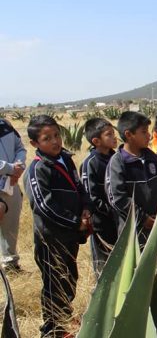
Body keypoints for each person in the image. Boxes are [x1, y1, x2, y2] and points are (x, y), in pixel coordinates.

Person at [23, 115, 91, 337]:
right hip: (51, 238)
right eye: (47, 138)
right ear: (35, 144)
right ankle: (52, 329)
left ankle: (64, 318)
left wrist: (85, 209)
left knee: (69, 278)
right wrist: (74, 222)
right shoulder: (38, 169)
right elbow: (44, 205)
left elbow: (79, 187)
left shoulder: (66, 160)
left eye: (56, 135)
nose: (54, 141)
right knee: (54, 283)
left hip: (70, 236)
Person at [106, 112, 157, 245]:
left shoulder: (151, 157)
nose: (149, 135)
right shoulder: (117, 162)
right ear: (129, 135)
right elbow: (117, 198)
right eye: (144, 132)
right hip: (133, 231)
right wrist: (142, 218)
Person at [80, 118, 118, 276]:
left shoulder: (116, 158)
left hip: (120, 221)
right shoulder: (91, 163)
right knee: (104, 265)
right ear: (96, 141)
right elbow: (91, 196)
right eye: (109, 135)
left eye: (114, 133)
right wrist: (111, 211)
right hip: (102, 223)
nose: (114, 137)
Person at [0, 118, 26, 273]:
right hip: (9, 175)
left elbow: (20, 147)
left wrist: (19, 166)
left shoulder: (5, 125)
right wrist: (10, 168)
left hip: (11, 183)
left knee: (11, 227)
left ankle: (10, 266)